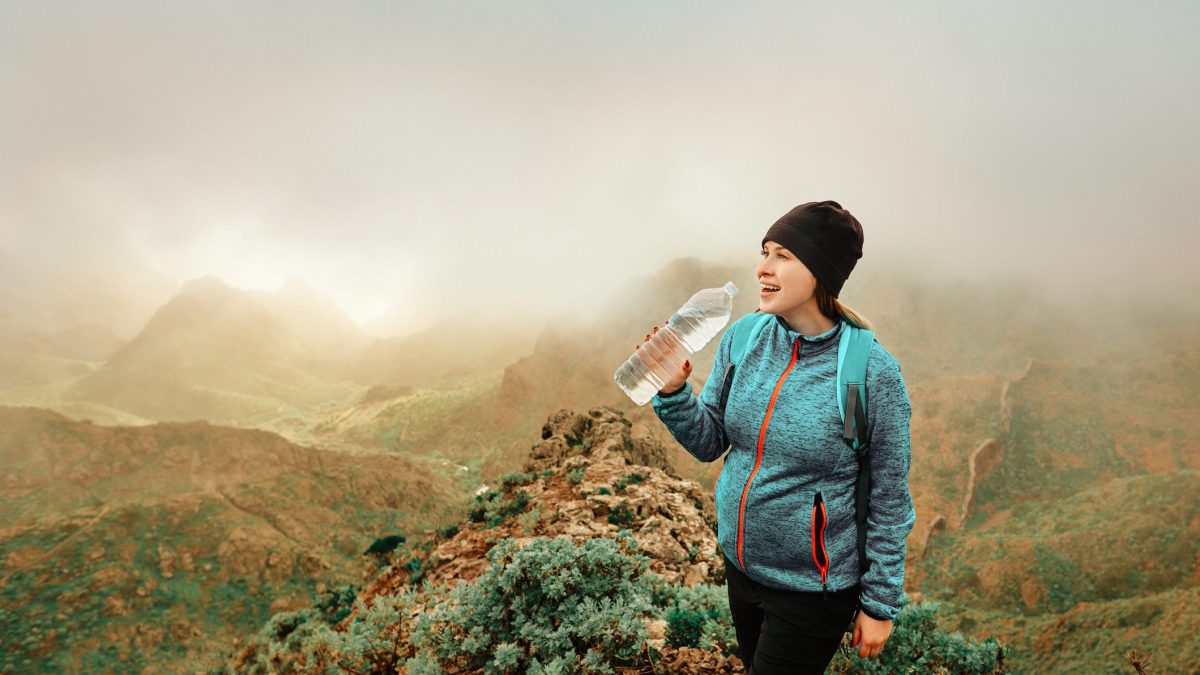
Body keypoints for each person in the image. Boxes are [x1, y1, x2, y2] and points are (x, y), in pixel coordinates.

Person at [636, 201, 915, 674]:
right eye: (765, 252)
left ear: (821, 270)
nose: (763, 267)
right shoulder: (744, 337)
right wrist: (674, 391)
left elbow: (889, 496)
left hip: (812, 590)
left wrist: (879, 603)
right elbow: (711, 443)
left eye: (783, 255)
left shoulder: (865, 373)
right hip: (741, 570)